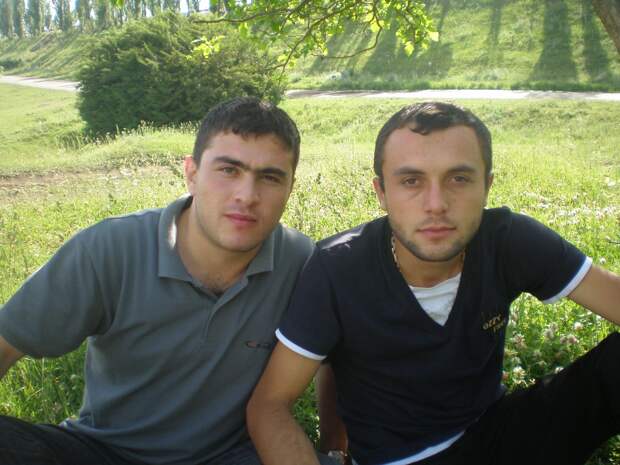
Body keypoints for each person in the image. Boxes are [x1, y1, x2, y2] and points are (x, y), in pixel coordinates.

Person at [247, 101, 620, 465]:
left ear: (487, 186)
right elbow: (269, 405)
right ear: (381, 193)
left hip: (499, 431)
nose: (436, 204)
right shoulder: (337, 267)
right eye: (411, 181)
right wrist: (333, 446)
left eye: (459, 179)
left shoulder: (508, 240)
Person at [0, 97, 318, 465]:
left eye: (270, 177)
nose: (247, 196)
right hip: (102, 452)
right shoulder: (111, 248)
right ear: (191, 174)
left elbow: (337, 364)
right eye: (229, 170)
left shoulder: (303, 263)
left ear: (290, 187)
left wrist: (335, 447)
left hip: (226, 457)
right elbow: (6, 343)